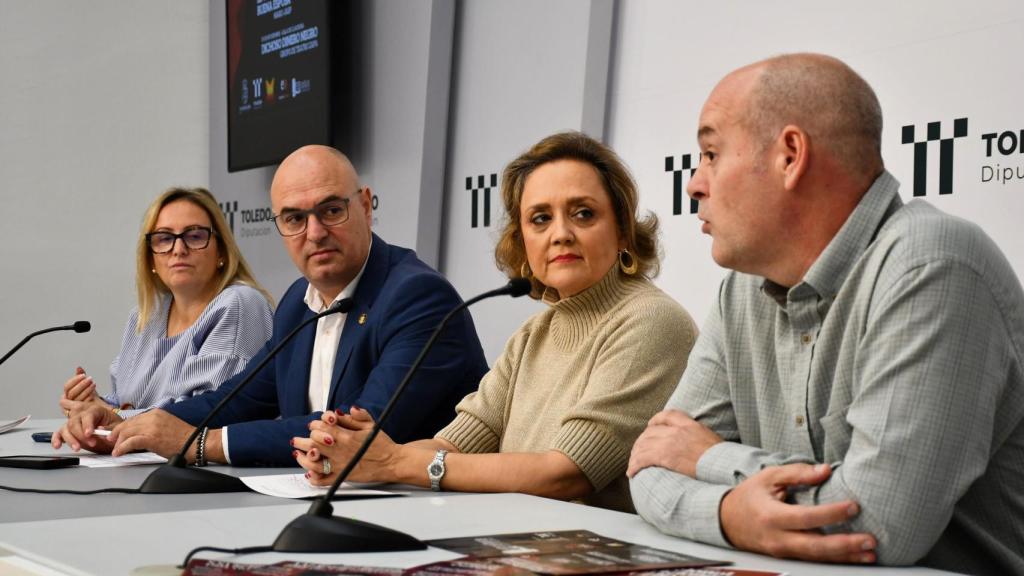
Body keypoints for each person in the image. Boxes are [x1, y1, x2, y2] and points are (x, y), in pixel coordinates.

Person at [627, 53, 1024, 574]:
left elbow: (876, 526)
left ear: (790, 155)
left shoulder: (934, 264)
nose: (694, 184)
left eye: (710, 154)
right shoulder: (740, 292)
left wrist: (710, 464)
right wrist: (728, 514)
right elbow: (651, 465)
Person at [293, 131, 697, 513]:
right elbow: (456, 443)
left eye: (583, 214)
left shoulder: (651, 321)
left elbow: (567, 473)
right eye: (540, 219)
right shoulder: (533, 334)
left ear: (623, 231)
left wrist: (395, 462)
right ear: (522, 241)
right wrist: (355, 453)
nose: (560, 234)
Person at [54, 145, 488, 467]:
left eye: (331, 210)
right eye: (295, 218)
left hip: (421, 515)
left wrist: (202, 444)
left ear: (366, 204)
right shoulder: (297, 307)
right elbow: (235, 400)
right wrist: (124, 426)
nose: (314, 232)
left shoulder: (416, 297)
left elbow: (359, 432)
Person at [57, 187, 273, 419]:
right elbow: (124, 403)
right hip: (139, 455)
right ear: (151, 258)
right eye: (165, 238)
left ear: (221, 251)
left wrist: (112, 415)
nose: (178, 250)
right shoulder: (144, 317)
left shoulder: (239, 304)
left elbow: (207, 413)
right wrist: (91, 403)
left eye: (195, 236)